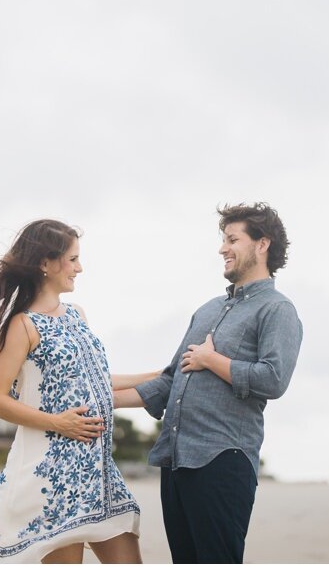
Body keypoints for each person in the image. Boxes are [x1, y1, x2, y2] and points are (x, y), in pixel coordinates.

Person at [116, 203, 302, 564]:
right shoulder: (207, 310)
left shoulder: (278, 310)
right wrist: (107, 400)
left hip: (223, 460)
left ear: (262, 244)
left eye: (233, 239)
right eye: (223, 239)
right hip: (177, 459)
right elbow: (171, 381)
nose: (222, 248)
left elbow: (274, 379)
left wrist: (211, 360)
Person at [0, 219, 155, 563]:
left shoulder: (77, 315)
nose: (79, 268)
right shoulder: (21, 325)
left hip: (98, 474)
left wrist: (159, 375)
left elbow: (93, 379)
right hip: (52, 478)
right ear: (45, 263)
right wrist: (58, 423)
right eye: (72, 259)